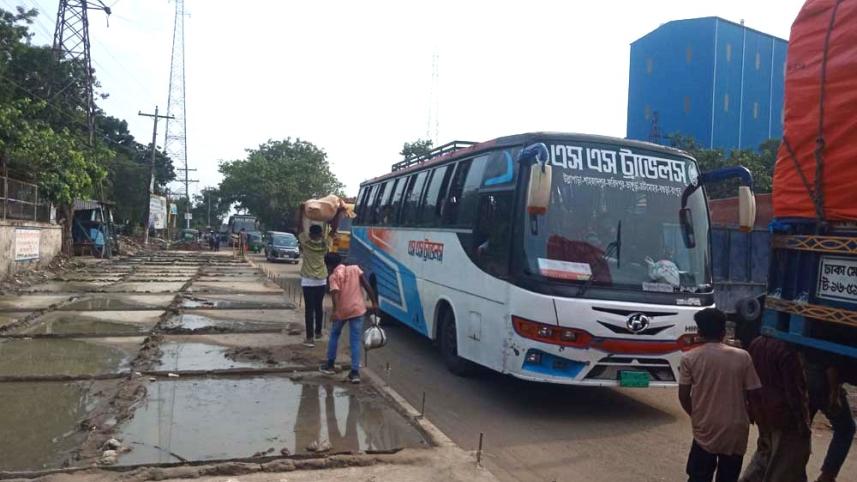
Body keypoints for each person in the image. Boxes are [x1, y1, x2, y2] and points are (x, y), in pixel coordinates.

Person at [679, 308, 762, 482]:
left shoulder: (689, 358)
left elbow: (684, 395)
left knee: (698, 475)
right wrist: (752, 415)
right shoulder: (743, 357)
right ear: (724, 331)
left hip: (705, 427)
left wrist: (695, 414)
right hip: (735, 428)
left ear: (699, 332)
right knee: (728, 476)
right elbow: (754, 393)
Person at [739, 336, 811, 482]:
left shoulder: (756, 343)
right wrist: (802, 422)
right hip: (783, 417)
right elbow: (794, 391)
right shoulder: (787, 350)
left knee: (764, 456)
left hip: (761, 412)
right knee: (782, 466)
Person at [319, 252, 377, 384]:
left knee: (334, 334)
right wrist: (374, 302)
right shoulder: (355, 269)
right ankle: (355, 373)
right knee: (355, 341)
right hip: (358, 310)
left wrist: (335, 311)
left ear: (328, 266)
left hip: (342, 311)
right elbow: (367, 285)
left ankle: (330, 364)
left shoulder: (333, 276)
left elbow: (334, 294)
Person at [803, 350, 856, 482]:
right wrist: (834, 392)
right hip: (823, 380)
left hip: (807, 375)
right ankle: (827, 476)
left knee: (800, 428)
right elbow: (830, 360)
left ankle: (790, 470)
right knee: (846, 428)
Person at [297, 213, 332, 347]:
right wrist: (336, 216)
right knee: (318, 307)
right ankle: (318, 332)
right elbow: (333, 231)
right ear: (321, 234)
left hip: (308, 281)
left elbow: (299, 228)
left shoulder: (306, 243)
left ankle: (310, 338)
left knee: (309, 309)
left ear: (310, 234)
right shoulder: (325, 245)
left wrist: (301, 212)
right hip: (321, 280)